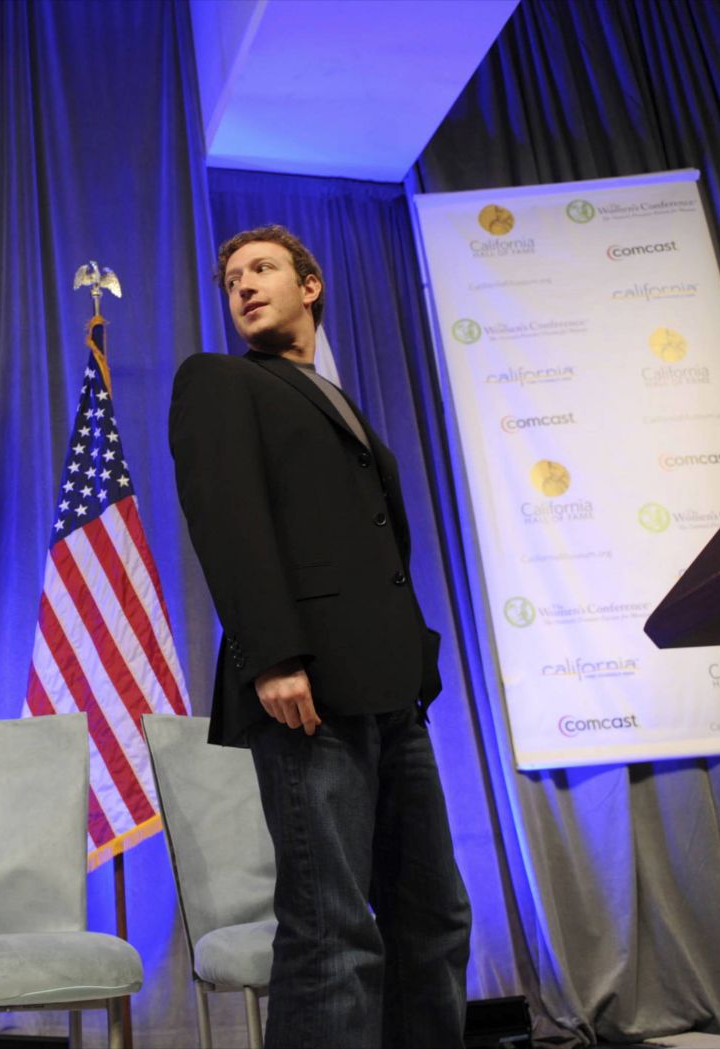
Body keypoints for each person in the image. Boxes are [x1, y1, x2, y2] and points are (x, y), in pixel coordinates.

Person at [168, 225, 471, 1047]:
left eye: (262, 269)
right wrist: (273, 654)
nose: (243, 285)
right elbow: (228, 522)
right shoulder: (220, 380)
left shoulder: (339, 400)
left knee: (434, 917)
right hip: (308, 692)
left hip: (392, 692)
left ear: (312, 286)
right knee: (331, 929)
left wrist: (418, 663)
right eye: (232, 278)